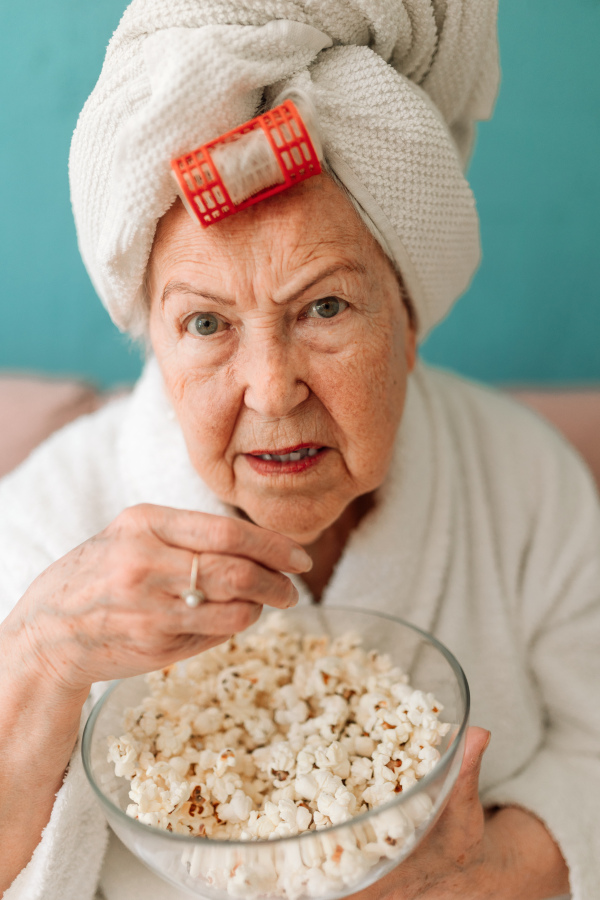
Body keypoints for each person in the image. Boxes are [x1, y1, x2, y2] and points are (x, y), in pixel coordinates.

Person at [0, 2, 598, 898]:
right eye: (206, 323)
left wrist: (481, 879)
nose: (272, 389)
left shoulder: (523, 481)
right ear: (155, 345)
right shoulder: (49, 516)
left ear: (406, 312)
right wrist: (42, 657)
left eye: (324, 307)